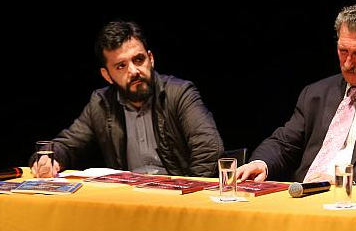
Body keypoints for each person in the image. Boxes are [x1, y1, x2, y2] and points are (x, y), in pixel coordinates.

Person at [236, 2, 356, 187]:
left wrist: (344, 182)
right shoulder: (315, 94)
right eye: (343, 51)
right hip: (304, 195)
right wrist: (261, 163)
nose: (348, 63)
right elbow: (285, 142)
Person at [30, 20, 224, 178]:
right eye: (121, 66)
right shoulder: (101, 103)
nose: (133, 71)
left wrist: (186, 195)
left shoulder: (179, 93)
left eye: (139, 59)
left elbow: (208, 149)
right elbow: (67, 144)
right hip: (130, 201)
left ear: (151, 59)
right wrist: (49, 159)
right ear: (107, 75)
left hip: (176, 198)